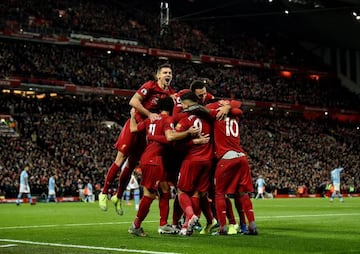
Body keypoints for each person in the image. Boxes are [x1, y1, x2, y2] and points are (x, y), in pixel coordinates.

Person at [98, 63, 175, 214]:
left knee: (131, 165)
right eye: (165, 72)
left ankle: (118, 196)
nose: (168, 75)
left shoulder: (171, 93)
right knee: (120, 159)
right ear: (158, 75)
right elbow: (133, 101)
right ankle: (104, 192)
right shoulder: (150, 86)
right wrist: (148, 114)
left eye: (170, 73)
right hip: (135, 125)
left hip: (145, 131)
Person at [127, 96, 203, 236]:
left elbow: (133, 129)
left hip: (153, 159)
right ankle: (135, 225)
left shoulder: (151, 119)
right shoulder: (168, 120)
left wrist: (132, 116)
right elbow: (170, 137)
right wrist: (188, 133)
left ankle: (163, 225)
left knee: (165, 190)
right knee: (150, 194)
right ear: (171, 107)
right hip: (153, 160)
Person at [204, 99, 257, 235]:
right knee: (243, 193)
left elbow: (204, 110)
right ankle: (252, 225)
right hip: (241, 156)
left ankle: (223, 228)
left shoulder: (216, 113)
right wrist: (229, 107)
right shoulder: (236, 115)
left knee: (220, 193)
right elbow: (239, 107)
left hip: (226, 157)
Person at [175, 92, 214, 236]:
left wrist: (191, 141)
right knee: (198, 193)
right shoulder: (208, 120)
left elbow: (175, 143)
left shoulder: (185, 120)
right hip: (208, 160)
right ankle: (186, 227)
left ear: (185, 103)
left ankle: (190, 216)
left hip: (192, 160)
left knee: (182, 191)